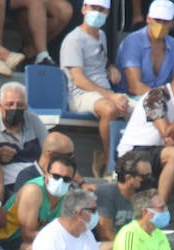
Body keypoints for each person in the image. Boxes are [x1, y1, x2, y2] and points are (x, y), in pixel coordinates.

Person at [59, 0, 129, 177]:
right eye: (94, 8)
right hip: (80, 94)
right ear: (83, 9)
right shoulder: (73, 39)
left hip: (103, 92)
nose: (97, 13)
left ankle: (131, 164)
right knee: (110, 108)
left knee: (142, 110)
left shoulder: (102, 36)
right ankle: (109, 163)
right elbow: (79, 79)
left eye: (102, 10)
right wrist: (110, 96)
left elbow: (98, 63)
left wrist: (110, 67)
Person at [0, 81, 46, 195]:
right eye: (10, 104)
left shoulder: (34, 120)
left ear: (26, 107)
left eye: (20, 105)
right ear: (0, 106)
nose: (15, 108)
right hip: (9, 186)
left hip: (38, 182)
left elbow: (49, 149)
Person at [117, 0, 174, 96]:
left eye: (165, 22)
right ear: (148, 19)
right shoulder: (132, 41)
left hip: (161, 101)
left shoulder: (173, 44)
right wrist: (163, 98)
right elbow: (134, 87)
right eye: (157, 20)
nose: (161, 26)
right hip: (130, 100)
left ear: (172, 23)